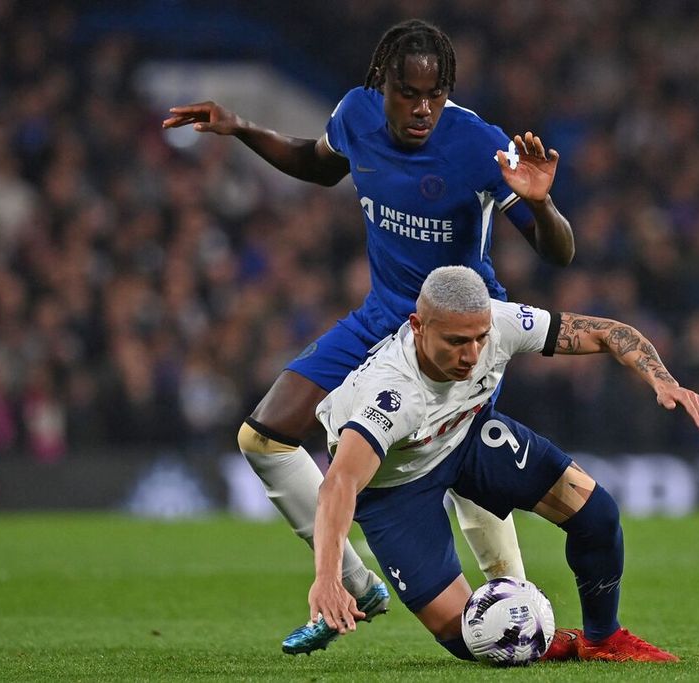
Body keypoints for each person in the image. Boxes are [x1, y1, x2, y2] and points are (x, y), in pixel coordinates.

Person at [161, 19, 574, 650]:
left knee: (463, 469)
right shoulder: (354, 115)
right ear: (382, 85)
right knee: (263, 437)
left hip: (456, 329)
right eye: (409, 93)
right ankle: (355, 585)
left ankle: (517, 615)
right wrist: (242, 128)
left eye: (435, 95)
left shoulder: (478, 143)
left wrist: (542, 205)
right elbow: (318, 165)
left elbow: (558, 253)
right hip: (383, 318)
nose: (422, 108)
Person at [305, 265, 699, 662]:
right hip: (394, 487)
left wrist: (662, 379)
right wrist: (327, 578)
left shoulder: (504, 323)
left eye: (480, 338)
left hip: (465, 436)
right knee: (469, 637)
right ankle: (548, 640)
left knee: (597, 515)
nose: (472, 355)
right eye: (456, 342)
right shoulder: (391, 395)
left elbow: (606, 332)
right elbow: (339, 483)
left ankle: (604, 637)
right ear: (417, 327)